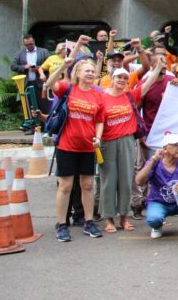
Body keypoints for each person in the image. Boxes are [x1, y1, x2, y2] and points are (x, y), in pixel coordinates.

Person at [47, 57, 106, 242]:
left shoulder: (98, 95)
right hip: (67, 145)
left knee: (88, 185)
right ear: (78, 74)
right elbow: (50, 83)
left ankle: (89, 221)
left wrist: (98, 137)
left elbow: (100, 120)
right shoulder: (68, 89)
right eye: (86, 70)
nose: (90, 73)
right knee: (65, 186)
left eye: (92, 71)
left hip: (88, 147)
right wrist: (64, 65)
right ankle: (62, 224)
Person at [98, 64, 162, 233]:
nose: (122, 80)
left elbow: (147, 84)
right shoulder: (102, 96)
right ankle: (109, 218)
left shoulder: (129, 96)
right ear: (112, 79)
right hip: (107, 141)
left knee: (126, 180)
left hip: (127, 141)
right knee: (108, 180)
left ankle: (124, 217)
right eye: (119, 77)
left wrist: (158, 68)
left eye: (125, 78)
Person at [134, 133, 178, 240]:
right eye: (175, 145)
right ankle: (157, 226)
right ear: (165, 149)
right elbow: (138, 181)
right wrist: (153, 161)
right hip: (159, 202)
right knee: (154, 219)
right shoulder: (155, 161)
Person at [12, 34, 50, 119]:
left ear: (34, 41)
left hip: (40, 84)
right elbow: (13, 66)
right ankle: (30, 126)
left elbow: (50, 65)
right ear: (24, 44)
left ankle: (45, 126)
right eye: (27, 45)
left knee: (43, 105)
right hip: (26, 83)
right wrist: (24, 67)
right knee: (28, 106)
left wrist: (39, 69)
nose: (29, 46)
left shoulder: (44, 51)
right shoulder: (20, 53)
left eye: (31, 44)